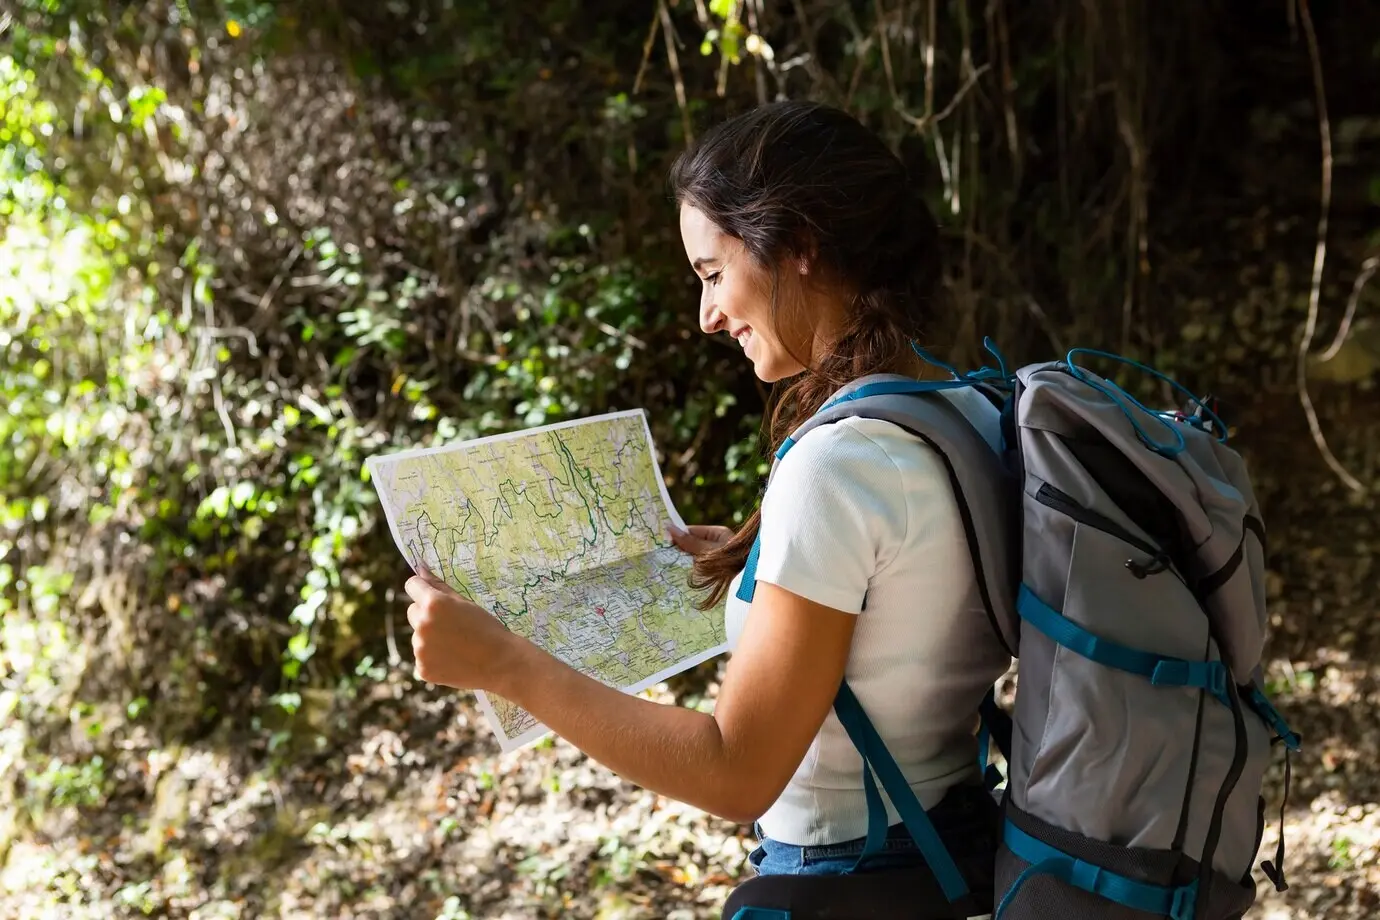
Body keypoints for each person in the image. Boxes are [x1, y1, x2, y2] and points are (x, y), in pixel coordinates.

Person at [402, 101, 1011, 885]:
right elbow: (909, 606)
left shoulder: (840, 466)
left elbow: (735, 773)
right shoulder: (965, 409)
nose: (707, 316)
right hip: (951, 850)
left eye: (714, 274)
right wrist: (772, 564)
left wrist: (506, 665)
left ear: (798, 244)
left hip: (851, 874)